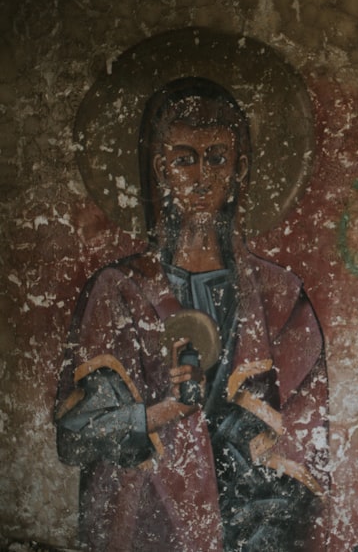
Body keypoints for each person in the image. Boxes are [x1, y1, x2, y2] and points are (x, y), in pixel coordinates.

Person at [54, 77, 330, 551]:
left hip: (249, 531)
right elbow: (74, 437)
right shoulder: (118, 291)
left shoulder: (280, 297)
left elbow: (306, 443)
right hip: (149, 527)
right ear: (162, 168)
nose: (201, 177)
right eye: (185, 158)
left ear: (238, 168)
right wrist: (164, 411)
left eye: (216, 158)